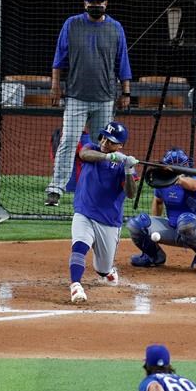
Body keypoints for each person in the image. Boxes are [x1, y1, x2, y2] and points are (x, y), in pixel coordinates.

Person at [45, 0, 132, 207]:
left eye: (99, 2)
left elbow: (123, 62)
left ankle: (96, 188)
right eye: (92, 3)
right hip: (76, 96)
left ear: (106, 3)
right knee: (68, 141)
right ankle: (56, 189)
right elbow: (58, 58)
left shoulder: (116, 28)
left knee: (101, 146)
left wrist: (126, 91)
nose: (96, 5)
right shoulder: (72, 24)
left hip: (105, 97)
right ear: (85, 4)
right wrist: (55, 86)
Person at [68, 121, 138, 304]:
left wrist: (129, 170)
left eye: (111, 141)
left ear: (120, 145)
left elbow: (131, 194)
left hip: (109, 221)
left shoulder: (124, 165)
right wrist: (108, 157)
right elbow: (84, 154)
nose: (105, 143)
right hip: (84, 213)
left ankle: (106, 272)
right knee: (79, 246)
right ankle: (75, 285)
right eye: (104, 138)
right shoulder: (92, 148)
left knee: (102, 268)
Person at [127, 147, 196, 274]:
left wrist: (177, 179)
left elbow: (194, 185)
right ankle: (154, 256)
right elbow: (158, 202)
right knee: (137, 223)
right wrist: (153, 228)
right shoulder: (163, 183)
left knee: (185, 221)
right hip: (174, 228)